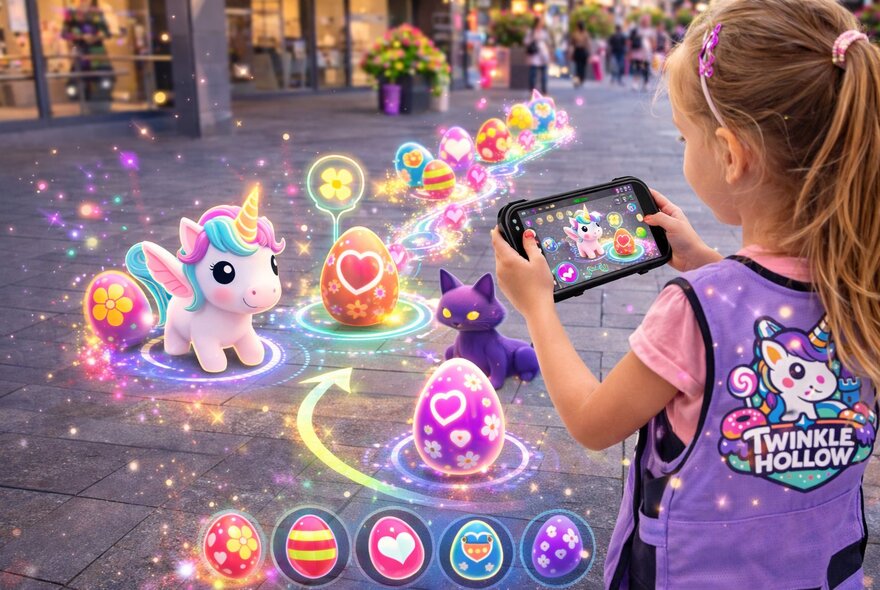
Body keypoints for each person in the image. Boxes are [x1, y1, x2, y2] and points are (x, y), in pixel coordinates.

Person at [491, 0, 880, 586]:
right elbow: (779, 308)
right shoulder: (862, 286)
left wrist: (536, 306)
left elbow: (594, 423)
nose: (682, 148)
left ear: (731, 155)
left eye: (683, 137)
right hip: (823, 570)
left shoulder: (694, 309)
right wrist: (707, 261)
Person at [628, 15, 654, 91]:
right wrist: (630, 52)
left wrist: (652, 50)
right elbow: (630, 41)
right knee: (637, 67)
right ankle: (635, 83)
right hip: (638, 52)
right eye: (645, 21)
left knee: (645, 68)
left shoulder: (650, 30)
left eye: (647, 21)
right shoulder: (636, 30)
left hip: (647, 53)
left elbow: (653, 41)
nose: (646, 22)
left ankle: (646, 83)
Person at [524, 16, 550, 95]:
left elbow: (548, 42)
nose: (541, 23)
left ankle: (544, 90)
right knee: (533, 74)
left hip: (543, 55)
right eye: (540, 22)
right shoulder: (531, 32)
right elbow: (526, 41)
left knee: (544, 75)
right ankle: (532, 91)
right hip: (534, 55)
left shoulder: (544, 32)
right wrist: (533, 39)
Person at [569, 21, 591, 87]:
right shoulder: (583, 34)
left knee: (580, 66)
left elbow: (588, 44)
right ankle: (580, 79)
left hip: (581, 51)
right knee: (580, 66)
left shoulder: (578, 34)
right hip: (580, 51)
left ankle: (580, 79)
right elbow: (572, 43)